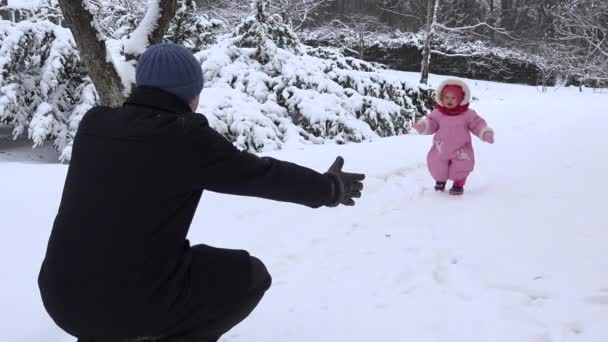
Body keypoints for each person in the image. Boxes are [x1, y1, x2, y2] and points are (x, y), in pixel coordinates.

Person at [37, 43, 365, 342]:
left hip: (61, 297)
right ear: (189, 96)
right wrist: (328, 188)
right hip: (131, 304)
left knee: (135, 279)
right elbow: (260, 174)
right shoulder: (185, 137)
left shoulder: (94, 124)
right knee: (249, 277)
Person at [413, 78, 494, 195]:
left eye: (453, 98)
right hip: (441, 147)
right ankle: (440, 180)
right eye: (446, 97)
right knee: (436, 164)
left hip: (461, 148)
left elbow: (477, 124)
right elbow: (431, 123)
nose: (449, 100)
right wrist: (422, 126)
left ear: (460, 99)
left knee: (462, 165)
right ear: (441, 98)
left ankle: (458, 184)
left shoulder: (468, 114)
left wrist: (485, 133)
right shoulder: (437, 113)